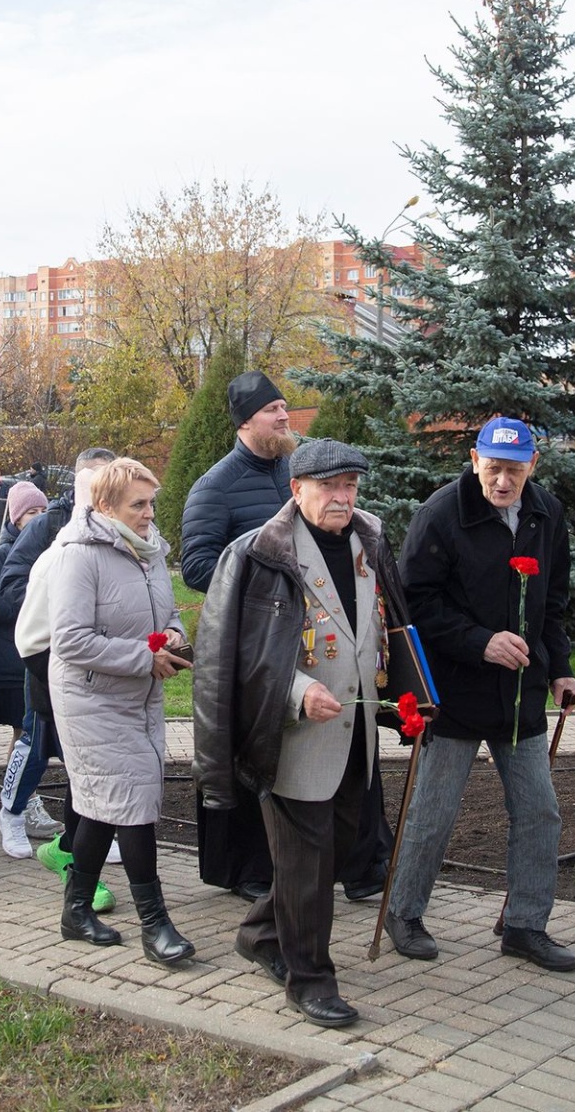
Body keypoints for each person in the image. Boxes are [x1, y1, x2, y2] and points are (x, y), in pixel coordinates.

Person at [193, 439, 408, 1027]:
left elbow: (393, 621)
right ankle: (309, 980)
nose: (342, 497)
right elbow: (231, 658)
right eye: (329, 486)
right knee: (309, 866)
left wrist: (413, 694)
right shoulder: (259, 554)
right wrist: (297, 692)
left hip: (355, 731)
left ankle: (263, 931)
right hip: (289, 736)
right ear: (297, 490)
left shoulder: (371, 538)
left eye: (350, 486)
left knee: (326, 856)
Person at [383, 416, 575, 974]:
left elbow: (554, 604)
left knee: (540, 812)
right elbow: (414, 605)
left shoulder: (546, 514)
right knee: (434, 812)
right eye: (493, 468)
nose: (502, 482)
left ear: (532, 467)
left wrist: (561, 668)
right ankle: (404, 912)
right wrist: (479, 642)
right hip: (456, 691)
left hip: (522, 694)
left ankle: (525, 926)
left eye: (514, 471)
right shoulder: (442, 513)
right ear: (475, 459)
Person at [50, 457, 196, 964]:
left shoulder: (151, 552)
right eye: (138, 504)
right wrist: (143, 658)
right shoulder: (79, 554)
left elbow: (167, 610)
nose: (149, 514)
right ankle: (154, 926)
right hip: (89, 699)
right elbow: (69, 641)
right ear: (104, 505)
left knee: (102, 807)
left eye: (152, 503)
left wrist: (174, 635)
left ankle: (75, 911)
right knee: (132, 804)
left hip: (138, 695)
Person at [179, 368, 294, 902]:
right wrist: (265, 564)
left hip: (301, 637)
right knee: (247, 751)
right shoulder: (214, 486)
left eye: (284, 407)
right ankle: (247, 869)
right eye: (274, 410)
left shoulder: (296, 473)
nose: (284, 416)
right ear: (248, 421)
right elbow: (198, 566)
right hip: (245, 645)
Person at [0, 447, 117, 885]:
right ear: (81, 482)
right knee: (34, 741)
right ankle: (10, 812)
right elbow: (11, 583)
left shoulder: (120, 524)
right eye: (102, 479)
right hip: (48, 660)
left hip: (97, 665)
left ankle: (84, 832)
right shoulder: (49, 525)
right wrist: (57, 612)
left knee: (81, 755)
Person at [0, 479, 48, 855]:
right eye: (31, 513)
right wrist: (33, 609)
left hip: (37, 651)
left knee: (29, 731)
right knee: (26, 732)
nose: (38, 519)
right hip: (12, 655)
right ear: (16, 517)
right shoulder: (3, 554)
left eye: (42, 511)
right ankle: (17, 805)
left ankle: (31, 800)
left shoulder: (50, 547)